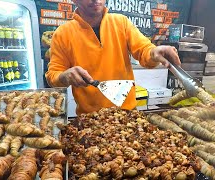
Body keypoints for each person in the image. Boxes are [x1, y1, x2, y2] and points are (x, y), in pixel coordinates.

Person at [45, 0, 181, 114]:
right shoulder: (62, 34)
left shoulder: (121, 23)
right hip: (90, 119)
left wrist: (154, 53)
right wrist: (64, 76)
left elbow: (144, 50)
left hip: (127, 113)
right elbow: (53, 76)